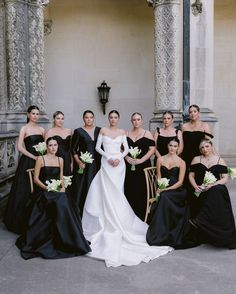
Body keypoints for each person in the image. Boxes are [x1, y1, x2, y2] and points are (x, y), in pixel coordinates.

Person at [82, 110, 172, 267]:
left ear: (119, 118)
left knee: (118, 191)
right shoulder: (103, 130)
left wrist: (119, 157)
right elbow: (98, 148)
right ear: (108, 118)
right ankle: (106, 218)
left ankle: (120, 216)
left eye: (116, 117)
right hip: (107, 162)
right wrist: (109, 157)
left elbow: (125, 149)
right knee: (106, 191)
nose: (113, 119)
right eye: (111, 117)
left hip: (119, 165)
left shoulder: (123, 132)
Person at [16, 137, 91, 259]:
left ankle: (70, 239)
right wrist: (46, 188)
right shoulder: (41, 159)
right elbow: (36, 179)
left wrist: (62, 187)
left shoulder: (60, 159)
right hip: (44, 189)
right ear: (47, 147)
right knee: (58, 201)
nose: (53, 148)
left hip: (56, 189)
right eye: (50, 145)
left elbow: (61, 177)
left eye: (55, 145)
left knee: (66, 201)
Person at [188, 139, 236, 249]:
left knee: (216, 190)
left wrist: (213, 184)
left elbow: (225, 178)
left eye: (207, 146)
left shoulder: (220, 160)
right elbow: (191, 176)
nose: (205, 149)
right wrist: (196, 186)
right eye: (202, 148)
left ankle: (200, 219)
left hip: (215, 189)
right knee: (214, 192)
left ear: (211, 146)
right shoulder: (196, 159)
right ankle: (202, 221)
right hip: (201, 189)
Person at [4, 105, 45, 234]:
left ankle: (38, 221)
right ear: (28, 115)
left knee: (40, 187)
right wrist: (33, 156)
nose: (35, 116)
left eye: (37, 114)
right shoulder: (24, 128)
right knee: (25, 189)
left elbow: (45, 145)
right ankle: (20, 222)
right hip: (28, 161)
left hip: (40, 161)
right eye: (33, 113)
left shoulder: (41, 129)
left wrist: (42, 157)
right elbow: (20, 147)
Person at [146, 138, 191, 248]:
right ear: (168, 146)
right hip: (163, 188)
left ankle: (165, 231)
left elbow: (180, 182)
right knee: (163, 196)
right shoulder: (160, 159)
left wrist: (165, 190)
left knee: (165, 196)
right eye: (171, 145)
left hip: (177, 190)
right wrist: (160, 186)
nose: (172, 148)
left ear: (178, 148)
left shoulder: (181, 162)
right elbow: (159, 176)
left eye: (175, 146)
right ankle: (160, 231)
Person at [124, 112, 155, 220]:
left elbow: (152, 149)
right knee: (129, 188)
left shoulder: (147, 133)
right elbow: (120, 148)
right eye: (134, 120)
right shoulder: (126, 133)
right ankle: (129, 216)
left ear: (141, 121)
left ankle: (142, 216)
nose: (136, 122)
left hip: (143, 167)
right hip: (129, 166)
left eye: (138, 119)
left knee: (141, 190)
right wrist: (127, 158)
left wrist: (141, 160)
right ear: (131, 121)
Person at [71, 110, 101, 215]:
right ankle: (82, 212)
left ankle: (96, 211)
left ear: (93, 118)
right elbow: (73, 149)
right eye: (86, 117)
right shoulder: (78, 131)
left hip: (98, 163)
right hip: (84, 163)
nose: (89, 119)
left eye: (91, 117)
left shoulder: (99, 130)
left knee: (97, 186)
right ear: (83, 118)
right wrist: (78, 161)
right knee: (83, 186)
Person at [45, 111, 72, 176]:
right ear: (54, 119)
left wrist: (72, 163)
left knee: (67, 180)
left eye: (62, 118)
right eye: (58, 118)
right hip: (56, 159)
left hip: (67, 159)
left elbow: (71, 148)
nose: (60, 121)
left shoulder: (69, 131)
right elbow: (46, 149)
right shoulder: (50, 132)